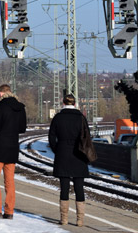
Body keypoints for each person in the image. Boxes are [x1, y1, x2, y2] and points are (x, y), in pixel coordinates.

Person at [49, 94, 89, 227]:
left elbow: (51, 137)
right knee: (79, 187)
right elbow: (87, 137)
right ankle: (80, 220)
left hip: (63, 154)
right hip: (79, 154)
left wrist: (58, 149)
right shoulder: (81, 118)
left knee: (64, 188)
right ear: (75, 103)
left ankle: (64, 218)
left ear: (63, 102)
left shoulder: (58, 118)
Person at [0, 83, 27, 220]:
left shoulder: (1, 106)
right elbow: (22, 128)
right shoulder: (20, 107)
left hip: (0, 146)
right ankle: (9, 211)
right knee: (9, 181)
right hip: (13, 146)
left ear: (1, 93)